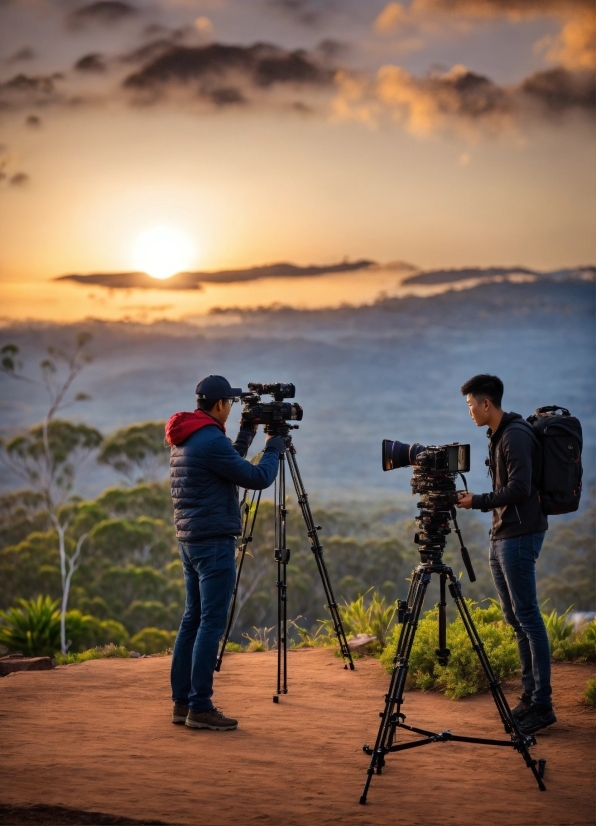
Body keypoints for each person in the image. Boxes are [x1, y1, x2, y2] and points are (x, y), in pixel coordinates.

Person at [165, 374, 285, 731]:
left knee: (192, 620)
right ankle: (200, 707)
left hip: (191, 540)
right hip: (214, 542)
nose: (232, 408)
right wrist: (274, 448)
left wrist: (247, 433)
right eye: (230, 403)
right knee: (210, 624)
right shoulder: (209, 440)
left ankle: (181, 703)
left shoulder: (189, 436)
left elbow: (225, 462)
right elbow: (257, 477)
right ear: (218, 404)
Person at [456, 373, 556, 734]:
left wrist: (476, 502)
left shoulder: (514, 435)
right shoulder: (498, 435)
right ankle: (530, 697)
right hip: (503, 535)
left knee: (528, 617)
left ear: (486, 403)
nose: (469, 411)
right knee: (515, 618)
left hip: (520, 536)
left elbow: (519, 488)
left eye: (470, 405)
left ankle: (543, 704)